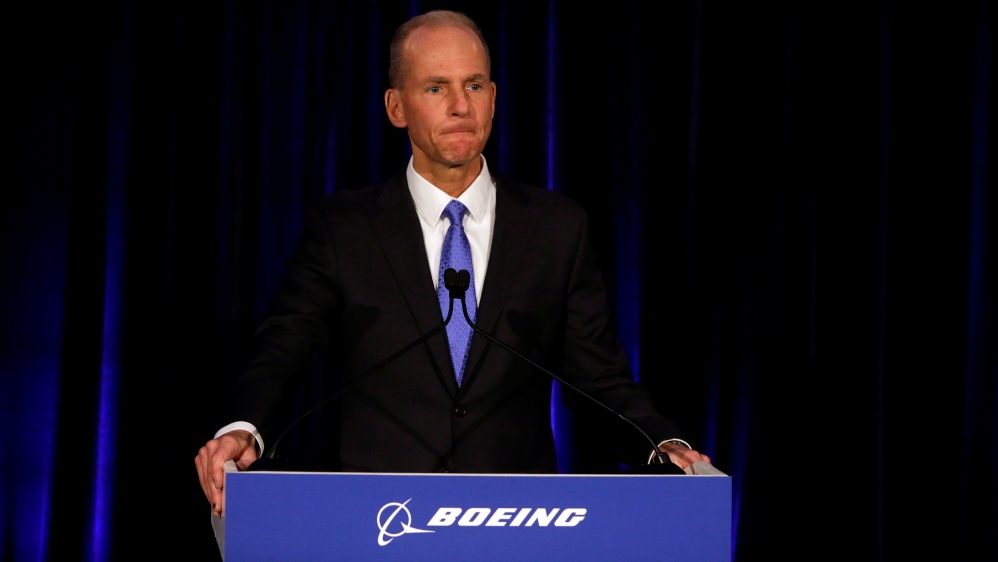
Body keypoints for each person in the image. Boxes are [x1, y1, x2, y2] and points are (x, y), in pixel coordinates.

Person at [195, 10, 710, 516]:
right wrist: (243, 429)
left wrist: (661, 443)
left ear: (494, 97)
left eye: (475, 86)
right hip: (380, 521)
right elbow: (284, 346)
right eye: (436, 88)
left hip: (515, 521)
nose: (461, 106)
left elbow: (597, 376)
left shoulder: (556, 227)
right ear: (397, 107)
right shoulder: (343, 228)